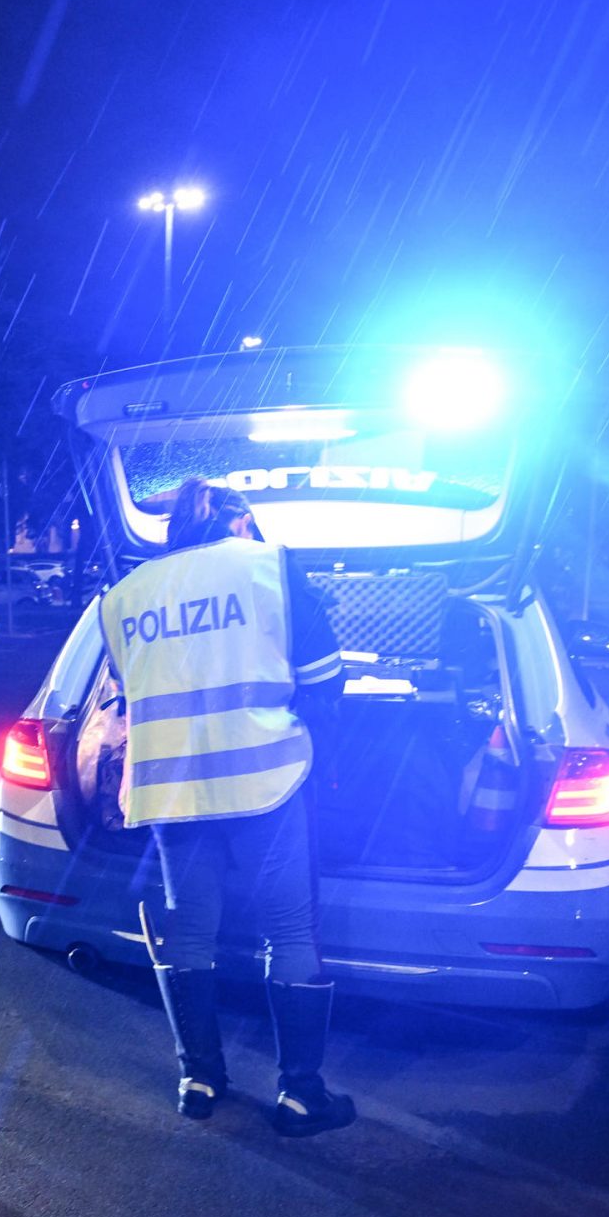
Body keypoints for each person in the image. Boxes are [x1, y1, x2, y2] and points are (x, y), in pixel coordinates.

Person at [99, 477, 351, 1135]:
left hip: (175, 791)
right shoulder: (269, 566)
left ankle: (199, 1077)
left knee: (190, 929)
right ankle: (300, 1094)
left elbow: (138, 691)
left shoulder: (125, 596)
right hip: (263, 779)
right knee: (290, 933)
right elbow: (327, 680)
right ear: (239, 522)